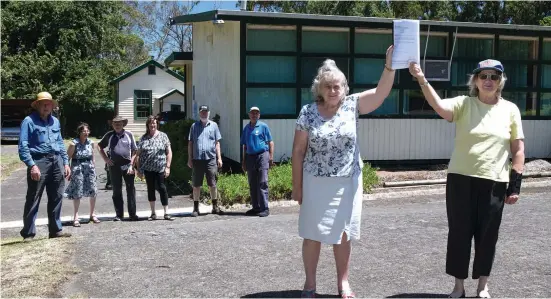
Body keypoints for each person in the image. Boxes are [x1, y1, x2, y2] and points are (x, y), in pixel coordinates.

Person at [409, 59, 525, 298]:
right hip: (460, 179)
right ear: (475, 80)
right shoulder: (464, 104)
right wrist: (421, 79)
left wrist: (515, 185)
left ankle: (483, 285)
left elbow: (518, 149)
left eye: (494, 76)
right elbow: (439, 106)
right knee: (459, 233)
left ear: (501, 81)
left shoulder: (511, 109)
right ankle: (458, 286)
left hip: (495, 181)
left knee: (488, 235)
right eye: (484, 76)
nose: (489, 81)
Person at [292, 45, 396, 298]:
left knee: (343, 234)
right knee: (312, 235)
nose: (333, 90)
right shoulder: (307, 112)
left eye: (337, 85)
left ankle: (343, 283)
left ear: (344, 88)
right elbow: (297, 151)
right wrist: (297, 186)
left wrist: (390, 65)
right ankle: (310, 285)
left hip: (347, 182)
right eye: (328, 86)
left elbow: (381, 93)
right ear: (319, 88)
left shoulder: (352, 105)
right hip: (315, 182)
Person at [18, 91, 72, 240]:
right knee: (33, 197)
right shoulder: (28, 121)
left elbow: (60, 143)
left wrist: (66, 162)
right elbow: (23, 146)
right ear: (37, 105)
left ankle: (55, 230)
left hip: (57, 161)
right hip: (39, 162)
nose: (47, 106)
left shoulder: (55, 121)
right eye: (44, 103)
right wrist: (32, 165)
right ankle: (28, 233)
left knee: (57, 196)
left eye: (49, 104)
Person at [97, 116, 139, 221]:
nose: (117, 125)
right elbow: (99, 146)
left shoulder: (129, 134)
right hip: (114, 166)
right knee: (116, 191)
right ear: (112, 125)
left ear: (123, 124)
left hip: (128, 166)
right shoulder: (109, 135)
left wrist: (131, 164)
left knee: (130, 190)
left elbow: (135, 150)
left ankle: (132, 214)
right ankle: (119, 215)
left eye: (119, 123)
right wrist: (106, 159)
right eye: (115, 124)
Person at [136, 115, 174, 221]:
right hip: (148, 169)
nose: (152, 125)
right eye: (150, 123)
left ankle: (166, 212)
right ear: (147, 125)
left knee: (162, 188)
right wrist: (138, 169)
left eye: (154, 123)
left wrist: (168, 166)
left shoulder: (163, 136)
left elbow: (169, 152)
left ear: (157, 124)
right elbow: (138, 154)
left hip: (160, 168)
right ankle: (153, 213)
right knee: (150, 189)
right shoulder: (143, 138)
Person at [187, 105, 223, 217]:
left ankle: (215, 206)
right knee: (196, 185)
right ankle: (196, 208)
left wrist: (219, 158)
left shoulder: (214, 126)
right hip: (197, 160)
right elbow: (190, 143)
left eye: (206, 112)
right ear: (199, 113)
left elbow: (217, 143)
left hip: (210, 159)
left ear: (209, 113)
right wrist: (190, 158)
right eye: (202, 112)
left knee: (212, 184)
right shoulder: (194, 126)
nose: (204, 114)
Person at [240, 106, 274, 217]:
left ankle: (265, 208)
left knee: (262, 182)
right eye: (252, 113)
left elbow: (270, 142)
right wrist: (244, 161)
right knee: (252, 183)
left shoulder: (263, 126)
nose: (254, 115)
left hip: (262, 155)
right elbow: (244, 145)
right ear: (249, 115)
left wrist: (271, 157)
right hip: (250, 157)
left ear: (259, 115)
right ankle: (256, 208)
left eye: (256, 113)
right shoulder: (246, 128)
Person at [65, 123, 100, 226]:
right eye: (83, 131)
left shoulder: (91, 142)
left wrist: (93, 167)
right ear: (79, 132)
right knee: (77, 192)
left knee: (93, 190)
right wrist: (68, 170)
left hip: (89, 168)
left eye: (87, 131)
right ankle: (76, 216)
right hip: (78, 168)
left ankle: (92, 214)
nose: (86, 133)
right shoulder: (73, 144)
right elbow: (68, 158)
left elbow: (92, 156)